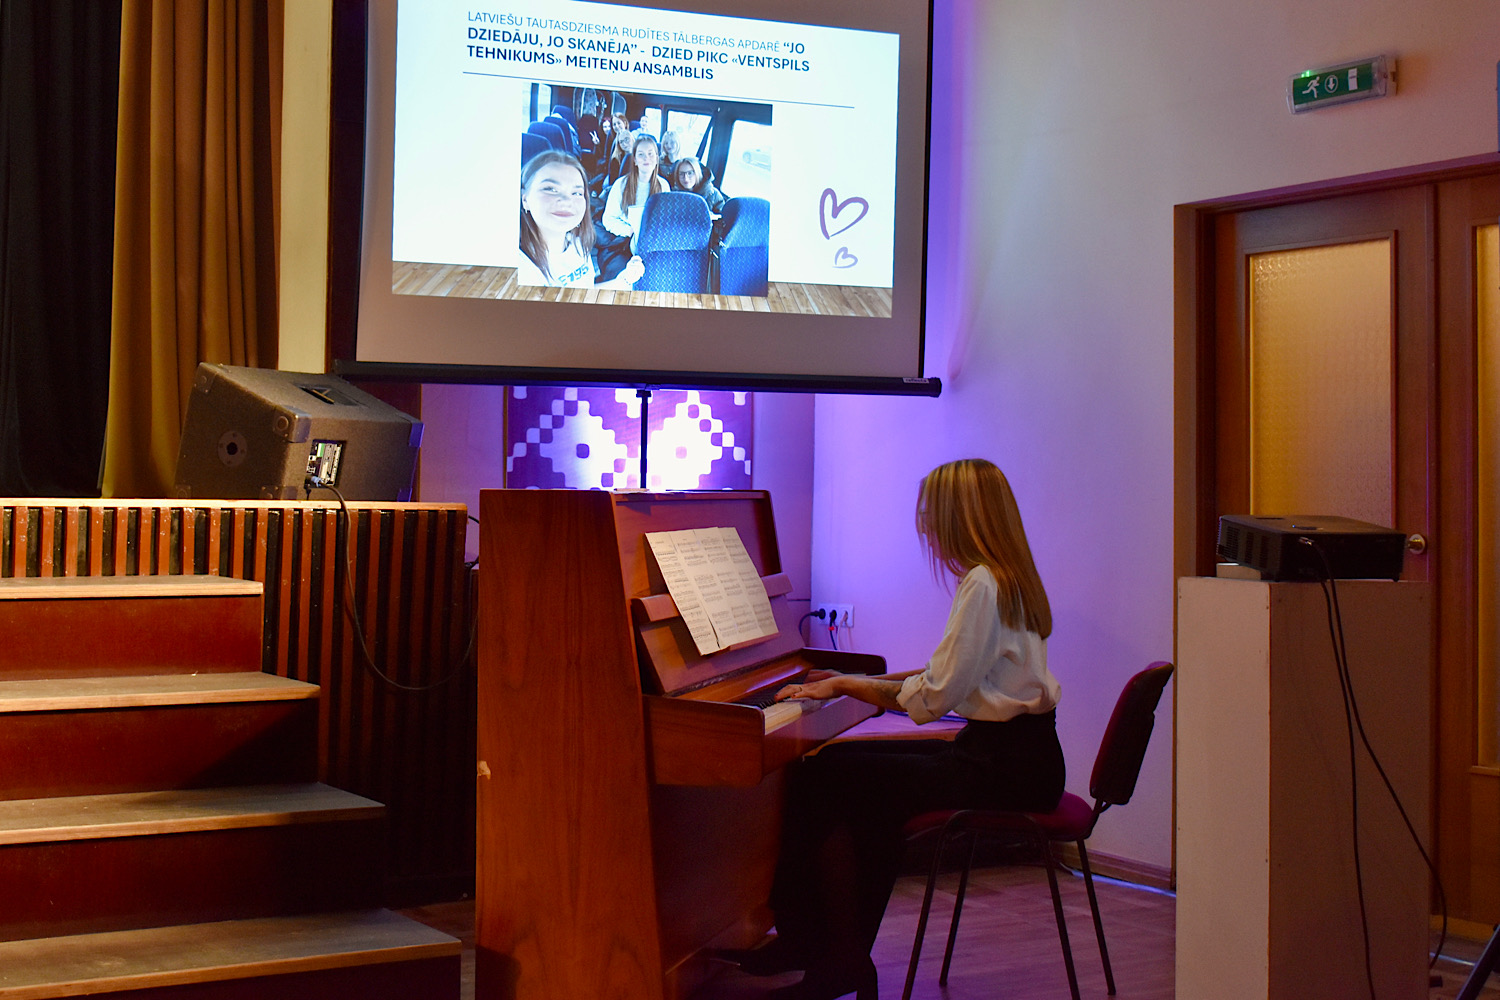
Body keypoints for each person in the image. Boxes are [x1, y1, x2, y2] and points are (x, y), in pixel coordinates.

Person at [727, 458, 1065, 1000]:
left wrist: (845, 685)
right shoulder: (1007, 577)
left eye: (930, 513)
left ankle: (817, 948)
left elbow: (932, 697)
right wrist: (855, 680)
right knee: (850, 781)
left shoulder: (983, 585)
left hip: (1001, 768)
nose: (924, 526)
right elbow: (944, 675)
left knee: (828, 777)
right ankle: (833, 954)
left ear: (959, 515)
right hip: (1018, 758)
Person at [516, 150, 642, 289]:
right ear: (525, 199)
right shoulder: (521, 267)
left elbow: (585, 292)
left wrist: (625, 279)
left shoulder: (577, 244)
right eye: (551, 189)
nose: (566, 200)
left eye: (576, 193)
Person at [599, 134, 670, 277]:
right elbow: (608, 219)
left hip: (652, 243)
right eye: (641, 155)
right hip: (625, 243)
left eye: (650, 154)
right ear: (635, 160)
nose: (646, 158)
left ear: (657, 158)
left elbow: (665, 221)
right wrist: (628, 230)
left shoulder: (663, 185)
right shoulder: (621, 184)